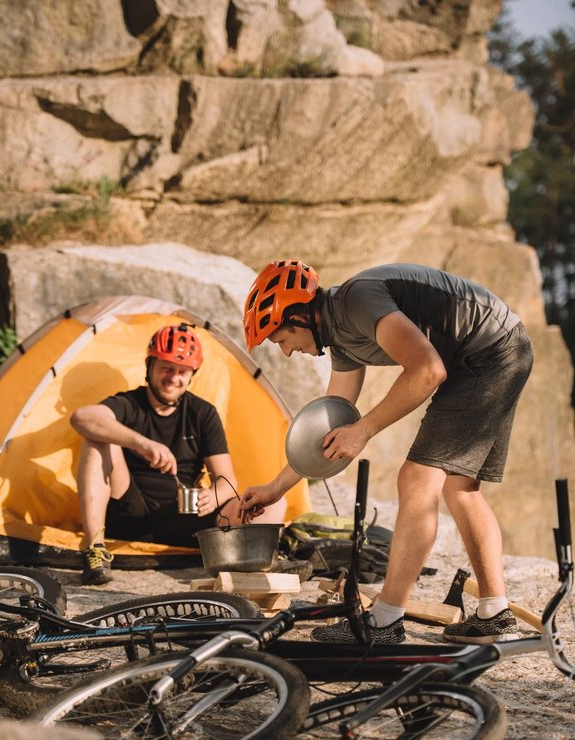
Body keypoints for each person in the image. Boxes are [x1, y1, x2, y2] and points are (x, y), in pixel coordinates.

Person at [241, 259, 534, 645]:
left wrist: (363, 431)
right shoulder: (341, 337)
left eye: (280, 340)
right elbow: (328, 427)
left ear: (298, 316)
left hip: (490, 353)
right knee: (459, 487)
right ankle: (494, 613)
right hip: (496, 350)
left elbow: (428, 371)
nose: (286, 352)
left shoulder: (357, 301)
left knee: (416, 478)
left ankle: (383, 622)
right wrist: (276, 487)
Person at [71, 323, 284, 585]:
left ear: (192, 374)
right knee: (96, 440)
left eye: (182, 371)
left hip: (188, 519)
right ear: (150, 366)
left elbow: (227, 480)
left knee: (274, 502)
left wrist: (213, 496)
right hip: (129, 511)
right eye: (167, 368)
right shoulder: (129, 403)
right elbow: (81, 418)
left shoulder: (202, 413)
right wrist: (142, 443)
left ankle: (254, 562)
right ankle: (94, 549)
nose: (174, 377)